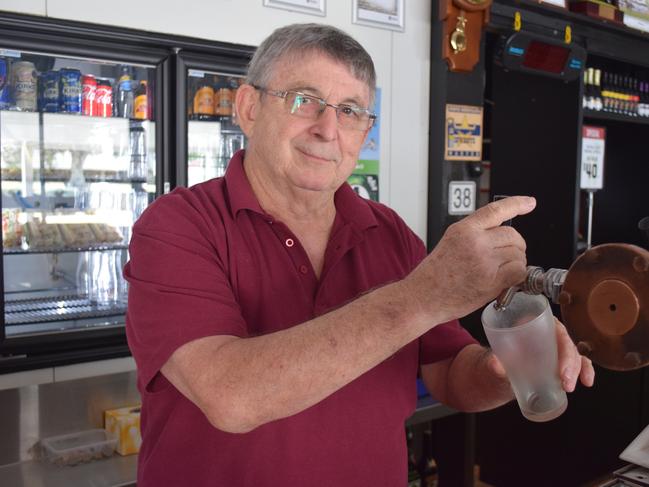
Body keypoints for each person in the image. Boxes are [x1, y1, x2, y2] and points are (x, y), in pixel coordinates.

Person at [124, 23, 594, 487]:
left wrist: (504, 369)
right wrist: (423, 295)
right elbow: (230, 396)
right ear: (248, 108)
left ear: (366, 131)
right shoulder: (177, 226)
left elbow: (450, 373)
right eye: (304, 99)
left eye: (350, 111)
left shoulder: (387, 232)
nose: (328, 129)